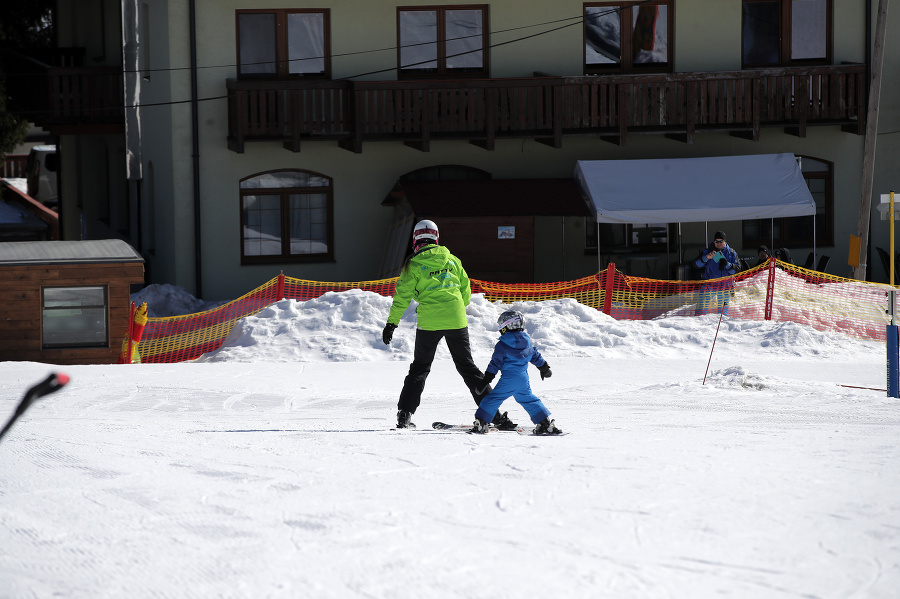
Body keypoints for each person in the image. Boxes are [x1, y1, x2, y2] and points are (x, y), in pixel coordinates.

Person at [382, 219, 517, 431]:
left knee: (419, 368)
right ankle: (495, 415)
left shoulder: (413, 264)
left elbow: (402, 297)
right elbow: (465, 290)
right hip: (456, 318)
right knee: (468, 369)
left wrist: (392, 324)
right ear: (436, 238)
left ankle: (404, 416)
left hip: (429, 321)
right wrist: (455, 308)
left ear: (416, 240)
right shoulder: (452, 260)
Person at [470, 310, 561, 435]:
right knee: (529, 400)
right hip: (523, 380)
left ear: (505, 325)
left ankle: (481, 423)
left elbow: (495, 364)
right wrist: (544, 368)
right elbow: (535, 356)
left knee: (492, 399)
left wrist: (486, 380)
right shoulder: (527, 342)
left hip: (508, 380)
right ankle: (545, 423)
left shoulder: (502, 345)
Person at [693, 231, 739, 316]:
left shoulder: (732, 253)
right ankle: (699, 325)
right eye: (716, 241)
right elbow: (696, 265)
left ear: (725, 242)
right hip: (709, 285)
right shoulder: (707, 252)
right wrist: (706, 258)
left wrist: (727, 264)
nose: (718, 243)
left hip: (725, 286)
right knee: (701, 310)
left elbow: (737, 270)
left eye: (721, 241)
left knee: (722, 314)